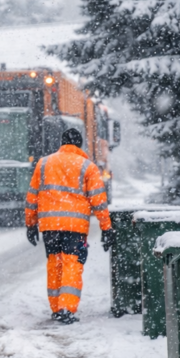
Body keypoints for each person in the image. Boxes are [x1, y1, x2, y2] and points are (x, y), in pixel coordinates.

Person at [24, 128, 115, 324]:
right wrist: (106, 228)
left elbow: (32, 196)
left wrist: (30, 224)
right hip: (75, 226)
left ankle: (56, 308)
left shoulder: (44, 163)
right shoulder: (88, 167)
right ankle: (66, 308)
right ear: (79, 145)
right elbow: (99, 201)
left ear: (62, 143)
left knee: (54, 263)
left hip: (50, 225)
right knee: (71, 264)